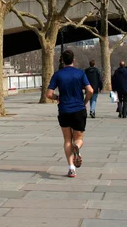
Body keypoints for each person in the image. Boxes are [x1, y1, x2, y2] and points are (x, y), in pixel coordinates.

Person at [45, 49, 93, 178]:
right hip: (78, 109)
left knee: (67, 139)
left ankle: (71, 168)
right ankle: (77, 147)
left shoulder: (57, 75)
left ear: (62, 60)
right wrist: (85, 102)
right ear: (74, 60)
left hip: (64, 110)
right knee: (78, 138)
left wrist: (57, 98)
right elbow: (90, 90)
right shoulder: (80, 73)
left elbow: (48, 94)